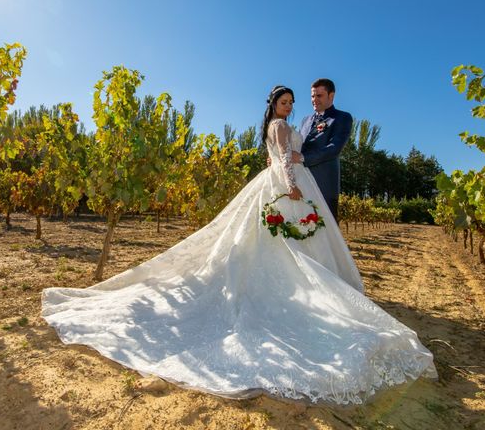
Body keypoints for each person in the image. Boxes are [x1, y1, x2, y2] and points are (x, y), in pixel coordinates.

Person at [42, 85, 436, 405]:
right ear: (275, 105)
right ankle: (306, 291)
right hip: (292, 184)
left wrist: (294, 169)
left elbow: (319, 150)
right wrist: (294, 184)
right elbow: (283, 156)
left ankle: (311, 288)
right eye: (287, 101)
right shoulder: (284, 125)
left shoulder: (316, 121)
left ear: (325, 98)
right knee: (286, 242)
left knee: (289, 242)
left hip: (304, 179)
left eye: (296, 101)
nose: (294, 105)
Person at [295, 79, 352, 221]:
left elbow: (334, 148)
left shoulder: (342, 118)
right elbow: (297, 147)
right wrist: (279, 156)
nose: (314, 100)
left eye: (319, 96)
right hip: (302, 182)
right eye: (312, 96)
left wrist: (302, 158)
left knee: (327, 227)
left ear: (331, 96)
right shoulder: (305, 120)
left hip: (324, 183)